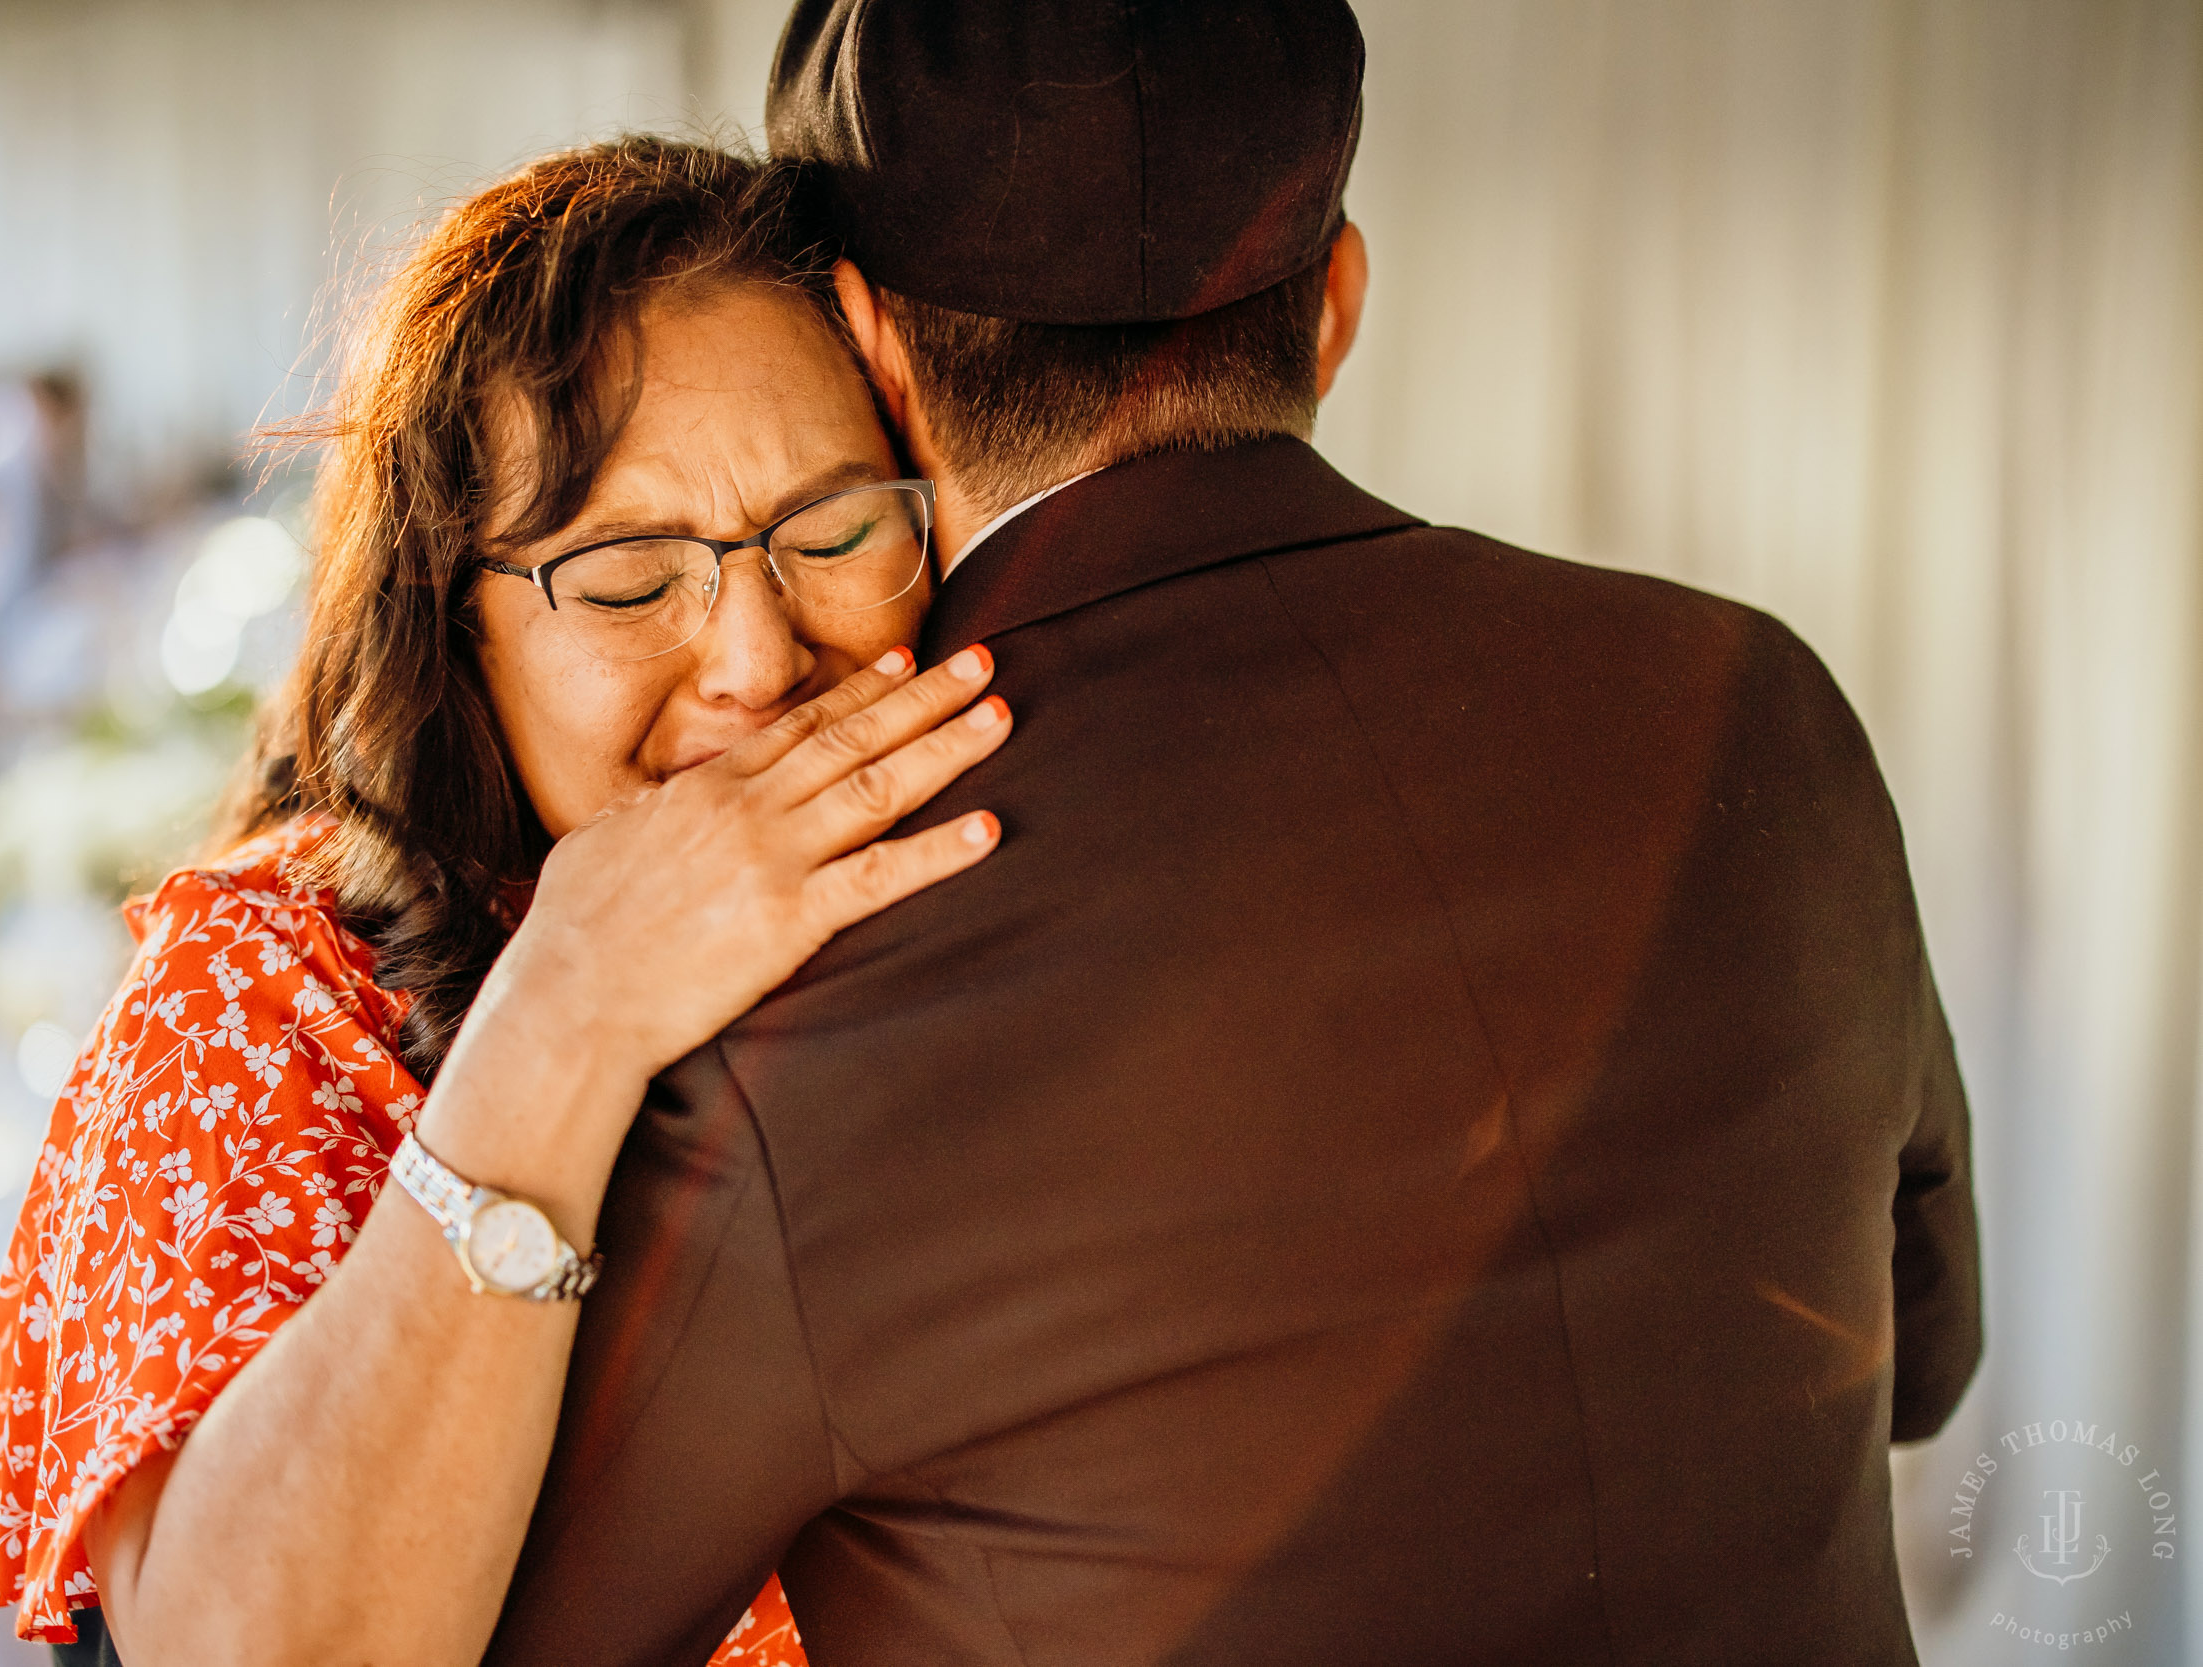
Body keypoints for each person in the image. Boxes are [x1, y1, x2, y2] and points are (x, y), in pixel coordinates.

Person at [479, 2, 1982, 1664]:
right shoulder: (1758, 704)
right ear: (1335, 305)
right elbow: (1926, 1353)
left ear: (867, 348)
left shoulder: (818, 945)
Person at [0, 141, 1013, 1666]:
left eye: (835, 533)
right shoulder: (258, 993)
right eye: (633, 578)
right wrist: (566, 1013)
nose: (761, 663)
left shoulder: (995, 884)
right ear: (454, 629)